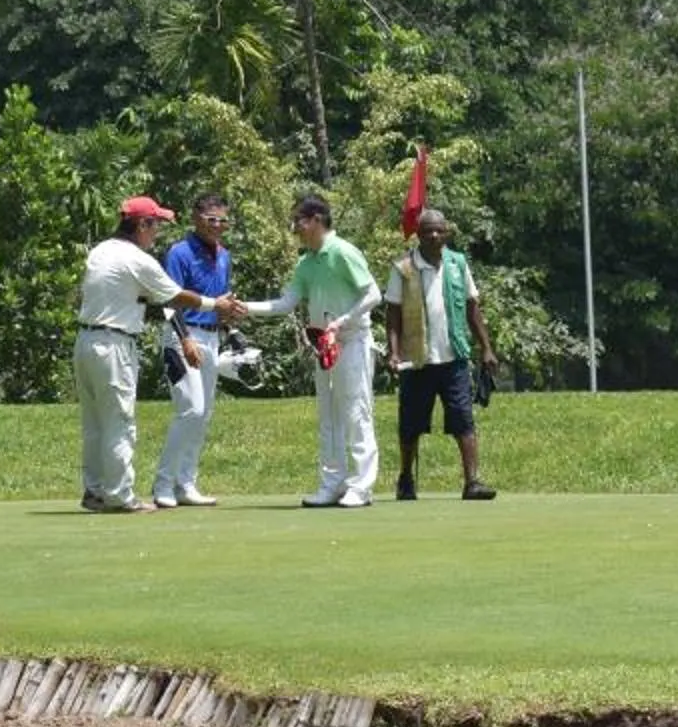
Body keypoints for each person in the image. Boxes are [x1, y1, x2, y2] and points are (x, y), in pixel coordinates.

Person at [75, 196, 241, 513]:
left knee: (95, 424)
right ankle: (121, 496)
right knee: (120, 422)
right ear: (142, 224)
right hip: (114, 342)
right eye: (156, 225)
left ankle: (95, 491)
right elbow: (173, 296)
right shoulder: (138, 259)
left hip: (86, 341)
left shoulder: (102, 250)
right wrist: (213, 305)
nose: (158, 233)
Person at [235, 194, 382, 508]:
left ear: (316, 220)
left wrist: (343, 321)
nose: (295, 229)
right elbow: (285, 303)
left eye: (299, 221)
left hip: (352, 341)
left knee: (356, 413)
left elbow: (373, 294)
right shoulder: (306, 262)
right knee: (328, 415)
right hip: (323, 346)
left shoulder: (342, 251)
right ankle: (333, 484)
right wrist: (244, 308)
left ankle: (362, 486)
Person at [382, 207, 498, 501]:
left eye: (439, 230)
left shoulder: (458, 264)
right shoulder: (403, 267)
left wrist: (486, 348)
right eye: (427, 231)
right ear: (418, 235)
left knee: (463, 418)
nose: (434, 235)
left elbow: (473, 308)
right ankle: (406, 479)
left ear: (447, 233)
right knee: (410, 424)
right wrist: (393, 353)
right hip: (416, 359)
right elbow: (392, 314)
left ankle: (472, 481)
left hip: (453, 356)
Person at [148, 193, 235, 509]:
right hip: (182, 337)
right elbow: (169, 302)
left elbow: (220, 303)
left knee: (203, 414)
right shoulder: (179, 253)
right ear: (196, 219)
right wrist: (185, 340)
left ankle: (186, 483)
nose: (217, 225)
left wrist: (232, 329)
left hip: (212, 339)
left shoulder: (223, 255)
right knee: (190, 410)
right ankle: (163, 484)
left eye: (223, 219)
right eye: (211, 219)